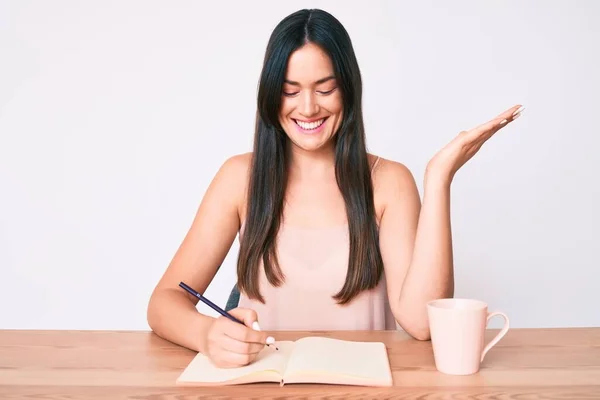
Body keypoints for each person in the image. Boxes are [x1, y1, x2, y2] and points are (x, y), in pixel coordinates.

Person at [146, 8, 524, 368]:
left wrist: (439, 177)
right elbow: (163, 302)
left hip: (362, 387)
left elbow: (422, 325)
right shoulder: (238, 177)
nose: (308, 108)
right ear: (269, 94)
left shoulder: (389, 181)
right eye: (290, 91)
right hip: (263, 385)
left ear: (349, 89)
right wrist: (206, 332)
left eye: (325, 89)